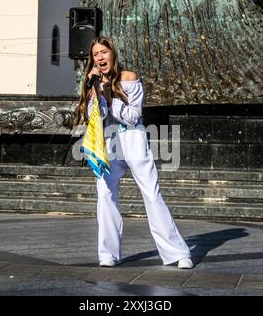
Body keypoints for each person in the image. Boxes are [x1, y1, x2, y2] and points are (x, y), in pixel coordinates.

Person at [75, 36, 193, 269]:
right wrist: (95, 93)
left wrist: (110, 95)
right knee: (106, 196)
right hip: (108, 141)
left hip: (133, 137)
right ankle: (108, 254)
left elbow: (132, 116)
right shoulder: (93, 85)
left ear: (112, 54)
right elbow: (94, 118)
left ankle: (177, 253)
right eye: (96, 54)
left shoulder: (129, 78)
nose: (100, 58)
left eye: (104, 52)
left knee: (151, 193)